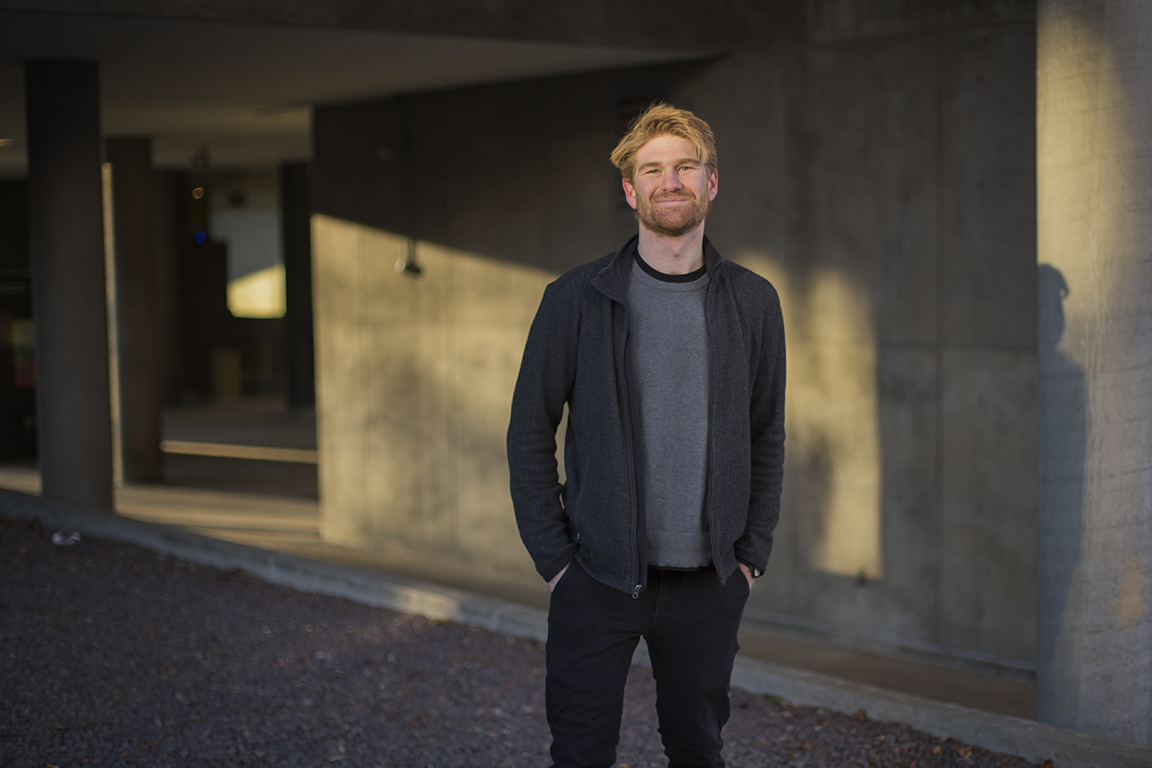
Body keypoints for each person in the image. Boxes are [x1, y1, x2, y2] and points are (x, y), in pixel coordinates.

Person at [507, 103, 786, 768]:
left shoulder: (752, 302)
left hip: (709, 583)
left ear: (711, 184)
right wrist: (557, 563)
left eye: (686, 167)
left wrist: (749, 558)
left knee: (697, 750)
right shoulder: (575, 300)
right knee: (580, 753)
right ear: (630, 190)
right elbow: (528, 432)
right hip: (596, 578)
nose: (671, 181)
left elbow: (767, 434)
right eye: (653, 170)